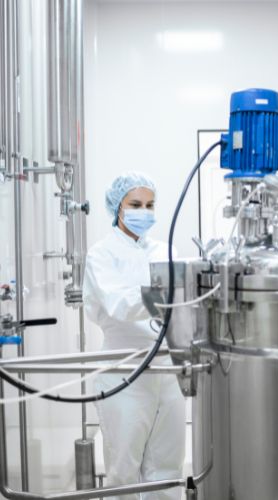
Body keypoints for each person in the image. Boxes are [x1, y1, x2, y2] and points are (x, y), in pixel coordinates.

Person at [83, 172, 185, 500]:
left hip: (166, 369)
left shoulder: (166, 250)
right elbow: (118, 304)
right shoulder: (102, 254)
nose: (144, 211)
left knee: (167, 467)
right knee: (123, 471)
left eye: (150, 205)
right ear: (118, 208)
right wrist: (163, 294)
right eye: (136, 204)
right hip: (123, 370)